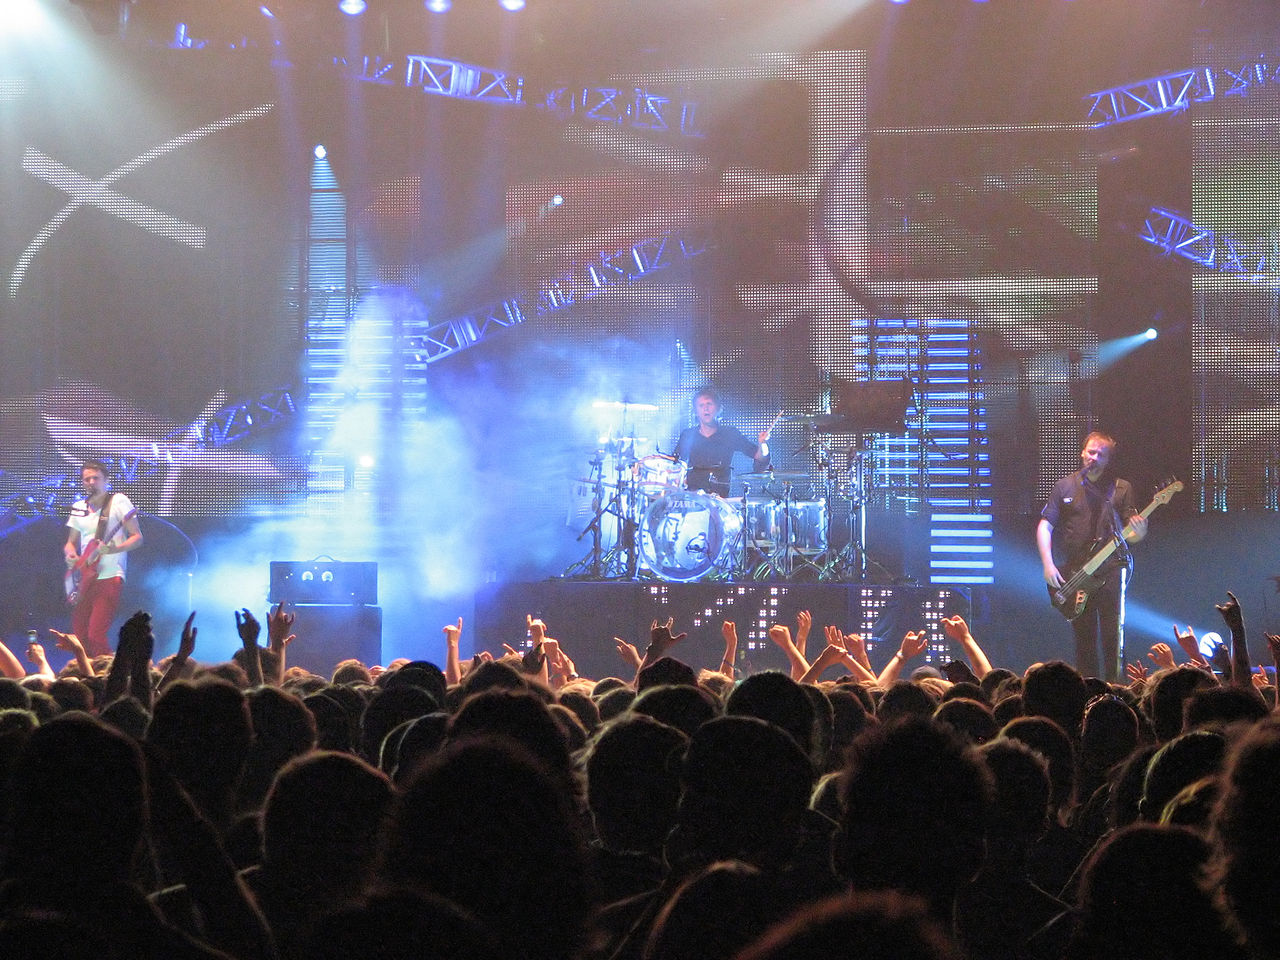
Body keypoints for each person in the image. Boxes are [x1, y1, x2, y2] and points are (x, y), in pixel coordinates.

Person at [1036, 432, 1146, 682]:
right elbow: (1045, 526)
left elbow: (1132, 534)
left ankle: (1116, 689)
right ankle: (1088, 690)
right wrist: (1048, 564)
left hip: (1111, 570)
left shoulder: (1120, 488)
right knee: (1084, 638)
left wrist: (1140, 531)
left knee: (1113, 635)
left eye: (1101, 454)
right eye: (1091, 452)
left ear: (1108, 460)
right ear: (1082, 453)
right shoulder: (1064, 486)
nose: (1094, 458)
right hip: (1077, 572)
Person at [63, 459, 143, 658]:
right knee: (80, 635)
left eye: (96, 478)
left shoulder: (118, 501)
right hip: (84, 576)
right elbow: (70, 543)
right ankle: (87, 671)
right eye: (86, 479)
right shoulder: (78, 507)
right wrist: (71, 555)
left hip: (110, 574)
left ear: (106, 480)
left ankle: (108, 671)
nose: (91, 482)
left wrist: (115, 548)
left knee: (96, 634)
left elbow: (137, 537)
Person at [672, 387, 771, 497]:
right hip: (693, 499)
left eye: (709, 404)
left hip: (720, 499)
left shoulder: (730, 434)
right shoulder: (688, 435)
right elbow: (674, 464)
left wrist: (763, 443)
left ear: (718, 408)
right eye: (701, 405)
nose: (705, 408)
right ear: (696, 412)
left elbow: (759, 456)